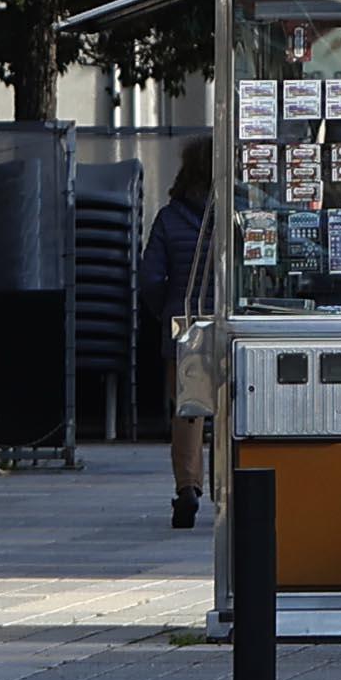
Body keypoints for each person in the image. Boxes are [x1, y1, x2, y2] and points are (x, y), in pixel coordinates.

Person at [142, 138, 220, 531]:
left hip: (185, 322)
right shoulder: (233, 214)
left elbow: (151, 278)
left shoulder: (169, 219)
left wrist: (167, 311)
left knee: (189, 411)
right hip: (229, 318)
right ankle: (234, 485)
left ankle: (187, 486)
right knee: (232, 407)